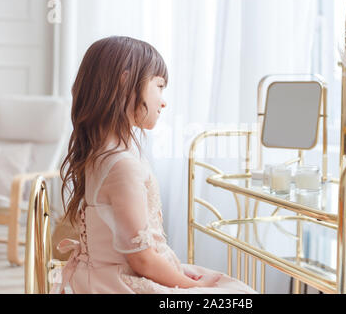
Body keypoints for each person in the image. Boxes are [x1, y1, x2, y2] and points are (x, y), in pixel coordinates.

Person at [51, 36, 257, 294]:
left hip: (108, 273)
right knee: (239, 294)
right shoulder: (121, 165)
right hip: (119, 282)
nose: (163, 101)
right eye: (159, 86)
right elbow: (141, 259)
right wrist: (191, 284)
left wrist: (179, 272)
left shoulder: (101, 153)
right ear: (125, 82)